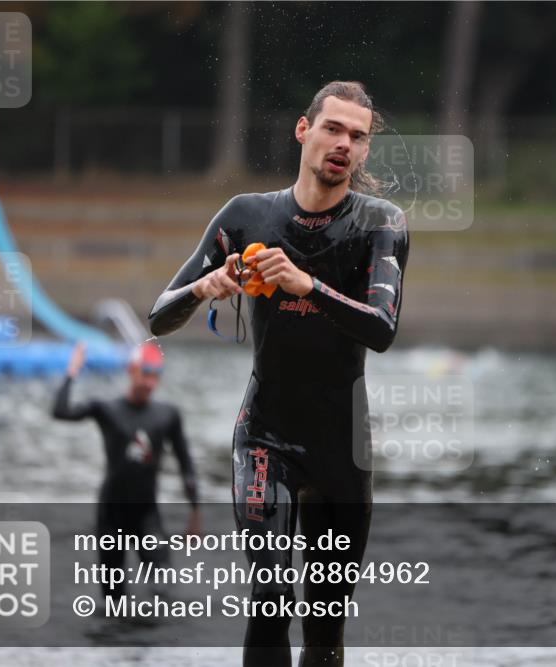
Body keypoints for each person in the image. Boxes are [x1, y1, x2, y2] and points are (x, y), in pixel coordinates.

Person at [148, 81, 409, 666]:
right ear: (303, 130)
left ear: (365, 151)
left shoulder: (380, 224)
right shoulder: (247, 215)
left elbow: (383, 328)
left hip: (343, 448)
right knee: (269, 596)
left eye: (357, 136)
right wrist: (203, 286)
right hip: (265, 435)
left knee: (324, 623)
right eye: (332, 129)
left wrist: (306, 284)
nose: (343, 144)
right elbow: (158, 317)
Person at [52, 341, 200, 604]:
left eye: (155, 376)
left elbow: (185, 463)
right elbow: (61, 412)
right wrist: (71, 372)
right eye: (145, 374)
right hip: (111, 514)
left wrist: (195, 513)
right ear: (131, 370)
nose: (150, 383)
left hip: (147, 514)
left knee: (164, 591)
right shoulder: (106, 410)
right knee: (113, 600)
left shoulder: (167, 415)